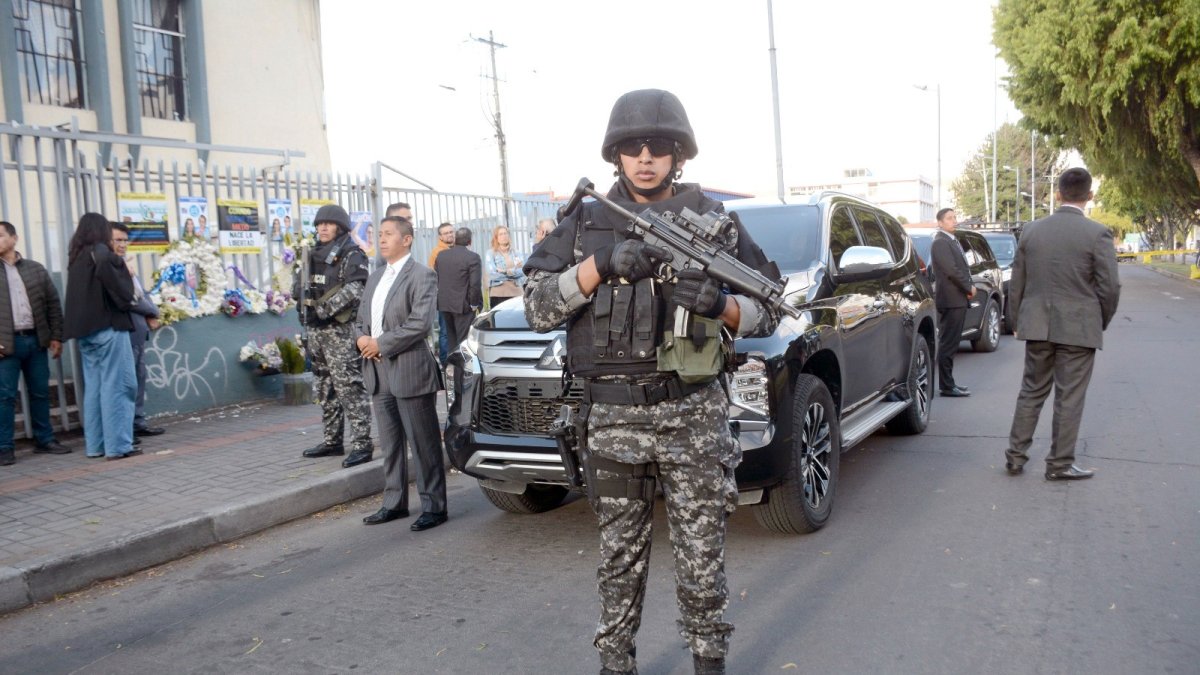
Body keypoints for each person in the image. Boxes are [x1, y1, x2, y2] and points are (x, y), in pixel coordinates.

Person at [522, 89, 779, 675]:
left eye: (659, 146)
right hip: (612, 415)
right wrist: (598, 266)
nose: (645, 157)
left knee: (702, 558)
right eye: (633, 147)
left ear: (678, 155)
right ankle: (616, 665)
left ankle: (709, 661)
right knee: (619, 559)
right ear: (615, 154)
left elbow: (769, 308)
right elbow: (536, 308)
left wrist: (721, 305)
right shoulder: (585, 222)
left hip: (693, 414)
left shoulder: (716, 222)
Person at [1004, 168, 1120, 480]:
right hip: (1079, 327)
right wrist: (1100, 319)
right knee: (1069, 397)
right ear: (1090, 196)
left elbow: (1018, 281)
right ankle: (1059, 464)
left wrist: (1017, 320)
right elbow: (1109, 287)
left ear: (1058, 194)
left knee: (1031, 391)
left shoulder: (1031, 231)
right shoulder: (1098, 233)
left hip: (1037, 324)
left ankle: (1015, 457)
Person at [354, 216, 448, 531]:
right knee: (391, 444)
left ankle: (434, 506)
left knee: (423, 443)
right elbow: (360, 319)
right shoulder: (375, 278)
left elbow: (419, 324)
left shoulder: (422, 275)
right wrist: (361, 339)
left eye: (388, 234)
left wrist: (379, 343)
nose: (381, 239)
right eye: (379, 234)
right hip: (378, 371)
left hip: (409, 368)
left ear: (406, 240)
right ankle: (394, 503)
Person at [294, 204, 374, 469]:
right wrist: (303, 305)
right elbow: (299, 287)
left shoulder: (352, 254)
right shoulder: (311, 254)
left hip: (340, 331)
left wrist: (323, 310)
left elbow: (355, 289)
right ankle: (332, 441)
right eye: (319, 224)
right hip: (316, 332)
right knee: (325, 387)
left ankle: (362, 444)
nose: (322, 228)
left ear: (340, 227)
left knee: (349, 387)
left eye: (328, 224)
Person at [62, 213, 139, 461]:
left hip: (85, 332)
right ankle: (119, 446)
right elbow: (123, 292)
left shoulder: (77, 257)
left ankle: (95, 446)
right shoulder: (104, 254)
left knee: (94, 388)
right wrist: (127, 272)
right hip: (109, 327)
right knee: (119, 386)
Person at [0, 221, 69, 465]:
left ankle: (45, 439)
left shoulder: (35, 269)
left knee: (40, 392)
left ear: (14, 238)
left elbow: (53, 304)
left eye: (0, 235)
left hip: (35, 340)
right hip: (5, 346)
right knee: (5, 396)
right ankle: (4, 447)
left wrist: (56, 336)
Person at [110, 223, 164, 439]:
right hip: (125, 333)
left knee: (139, 380)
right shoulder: (112, 269)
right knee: (126, 383)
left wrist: (150, 313)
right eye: (118, 240)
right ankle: (126, 428)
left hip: (138, 332)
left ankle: (137, 422)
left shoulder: (126, 265)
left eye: (125, 240)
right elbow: (130, 299)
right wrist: (152, 311)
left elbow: (142, 293)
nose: (123, 244)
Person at [929, 207, 975, 397]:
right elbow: (952, 270)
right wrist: (969, 287)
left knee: (952, 343)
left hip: (957, 298)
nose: (954, 220)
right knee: (948, 344)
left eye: (955, 217)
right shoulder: (940, 242)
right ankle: (947, 386)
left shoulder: (951, 240)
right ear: (940, 223)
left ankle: (949, 383)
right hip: (951, 299)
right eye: (949, 218)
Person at [434, 227, 483, 357]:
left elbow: (437, 277)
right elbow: (475, 284)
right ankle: (463, 369)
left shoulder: (441, 255)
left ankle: (454, 368)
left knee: (452, 340)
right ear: (470, 241)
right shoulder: (473, 257)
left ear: (455, 239)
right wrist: (474, 304)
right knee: (464, 342)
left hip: (445, 304)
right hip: (463, 306)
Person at [427, 221, 457, 364]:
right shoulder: (436, 252)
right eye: (446, 233)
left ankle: (459, 362)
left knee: (459, 331)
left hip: (459, 297)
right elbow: (432, 274)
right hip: (445, 298)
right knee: (445, 331)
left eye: (451, 232)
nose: (449, 235)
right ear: (440, 236)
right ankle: (446, 363)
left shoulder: (459, 249)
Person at [486, 225, 525, 306]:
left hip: (517, 293)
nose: (504, 236)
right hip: (498, 294)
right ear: (496, 238)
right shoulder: (491, 253)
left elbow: (522, 271)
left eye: (505, 233)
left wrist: (506, 271)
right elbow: (492, 275)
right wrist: (514, 273)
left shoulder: (516, 252)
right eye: (501, 234)